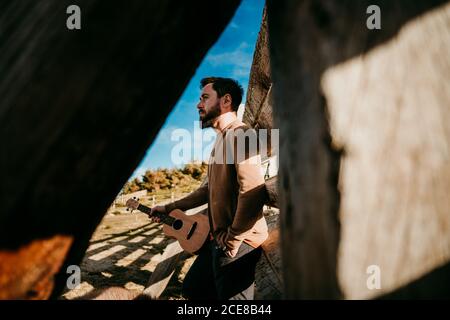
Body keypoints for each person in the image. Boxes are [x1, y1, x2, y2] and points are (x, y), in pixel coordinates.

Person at [150, 77, 268, 300]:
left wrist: (234, 239)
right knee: (194, 290)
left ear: (226, 101)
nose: (198, 104)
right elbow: (206, 191)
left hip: (240, 242)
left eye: (205, 98)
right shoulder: (220, 142)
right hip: (219, 240)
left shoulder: (241, 134)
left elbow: (253, 190)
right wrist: (168, 207)